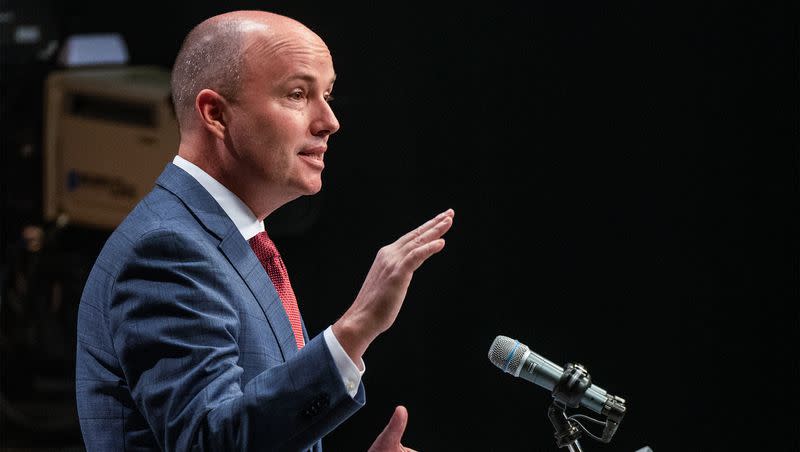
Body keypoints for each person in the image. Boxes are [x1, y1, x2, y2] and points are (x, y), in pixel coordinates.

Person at [75, 10, 454, 451]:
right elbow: (211, 443)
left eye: (327, 95)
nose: (330, 121)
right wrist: (358, 326)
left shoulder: (230, 239)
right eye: (298, 94)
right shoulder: (166, 250)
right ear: (215, 113)